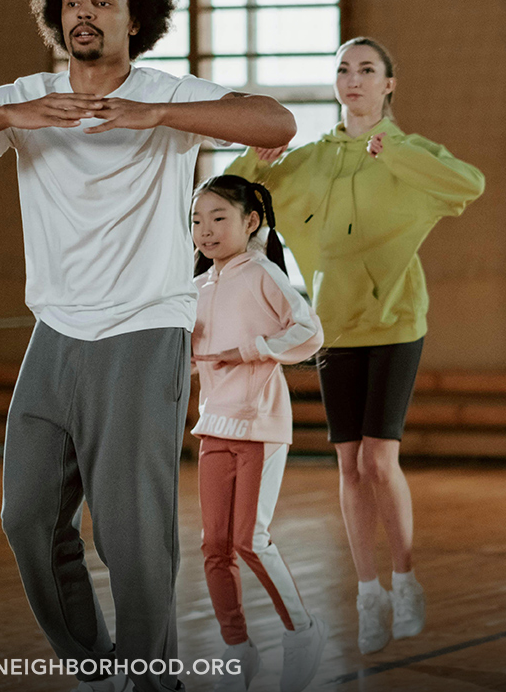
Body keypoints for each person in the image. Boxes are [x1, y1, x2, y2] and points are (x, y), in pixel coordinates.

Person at [0, 0, 296, 692]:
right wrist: (11, 113)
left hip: (143, 330)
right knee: (27, 519)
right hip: (55, 335)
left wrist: (159, 113)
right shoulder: (29, 98)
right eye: (73, 0)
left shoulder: (166, 94)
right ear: (58, 15)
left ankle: (151, 679)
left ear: (135, 17)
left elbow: (276, 124)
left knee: (131, 534)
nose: (85, 11)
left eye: (104, 0)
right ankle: (95, 664)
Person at [225, 37, 485, 654]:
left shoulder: (409, 152)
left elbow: (467, 185)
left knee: (376, 459)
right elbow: (225, 206)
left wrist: (391, 149)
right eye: (343, 69)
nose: (353, 79)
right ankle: (369, 592)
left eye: (367, 70)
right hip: (331, 329)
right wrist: (254, 158)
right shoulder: (310, 159)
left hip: (396, 323)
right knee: (348, 464)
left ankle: (405, 576)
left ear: (389, 84)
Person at [189, 175, 326, 692]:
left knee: (251, 540)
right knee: (215, 545)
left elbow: (309, 332)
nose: (205, 230)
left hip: (261, 425)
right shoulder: (197, 287)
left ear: (251, 222)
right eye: (197, 220)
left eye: (218, 218)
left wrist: (249, 351)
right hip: (213, 428)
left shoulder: (263, 272)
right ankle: (237, 649)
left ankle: (303, 632)